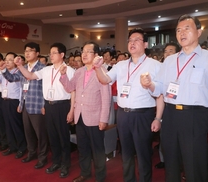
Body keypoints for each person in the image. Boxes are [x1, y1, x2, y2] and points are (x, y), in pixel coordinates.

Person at [140, 14, 208, 182]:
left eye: (187, 28)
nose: (182, 33)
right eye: (178, 30)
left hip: (196, 117)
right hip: (170, 116)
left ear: (199, 32)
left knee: (195, 167)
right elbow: (161, 89)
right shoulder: (170, 60)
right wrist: (149, 84)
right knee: (170, 163)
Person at [93, 27, 163, 182]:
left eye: (137, 40)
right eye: (130, 40)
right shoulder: (121, 65)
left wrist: (158, 118)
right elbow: (105, 79)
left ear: (145, 44)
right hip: (123, 114)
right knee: (126, 153)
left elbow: (160, 94)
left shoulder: (155, 65)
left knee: (144, 154)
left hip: (143, 115)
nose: (132, 43)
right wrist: (98, 68)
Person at [10, 42, 75, 178]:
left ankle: (65, 164)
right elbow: (29, 76)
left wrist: (72, 110)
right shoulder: (46, 70)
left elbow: (73, 91)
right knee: (52, 137)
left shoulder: (69, 70)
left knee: (63, 137)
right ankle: (56, 162)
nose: (51, 55)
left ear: (62, 54)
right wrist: (20, 65)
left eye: (54, 53)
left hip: (62, 105)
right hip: (48, 106)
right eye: (50, 53)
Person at [59, 41, 111, 182]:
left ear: (96, 55)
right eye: (83, 52)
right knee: (83, 149)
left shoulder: (102, 72)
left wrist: (103, 119)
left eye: (88, 51)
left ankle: (100, 176)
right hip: (80, 116)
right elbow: (71, 88)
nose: (84, 54)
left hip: (95, 118)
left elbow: (106, 97)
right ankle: (85, 173)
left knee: (98, 150)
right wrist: (63, 76)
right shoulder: (79, 72)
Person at [0, 42, 48, 169]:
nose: (27, 53)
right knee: (28, 132)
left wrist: (44, 105)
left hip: (37, 105)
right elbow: (12, 78)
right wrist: (3, 69)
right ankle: (31, 153)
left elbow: (46, 88)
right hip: (26, 104)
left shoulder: (43, 68)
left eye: (30, 50)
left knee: (40, 134)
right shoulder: (24, 67)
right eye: (25, 50)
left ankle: (42, 157)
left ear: (37, 53)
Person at [0, 52, 27, 159]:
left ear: (15, 61)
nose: (7, 61)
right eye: (6, 59)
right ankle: (12, 146)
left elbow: (22, 90)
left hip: (14, 102)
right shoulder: (4, 72)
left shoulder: (19, 73)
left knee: (16, 126)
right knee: (7, 126)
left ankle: (22, 148)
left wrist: (20, 104)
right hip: (4, 101)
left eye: (10, 59)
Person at [155, 42, 180, 169]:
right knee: (164, 138)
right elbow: (158, 92)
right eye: (166, 51)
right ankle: (164, 160)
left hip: (179, 110)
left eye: (171, 51)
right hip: (165, 108)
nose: (168, 53)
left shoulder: (181, 68)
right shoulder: (161, 68)